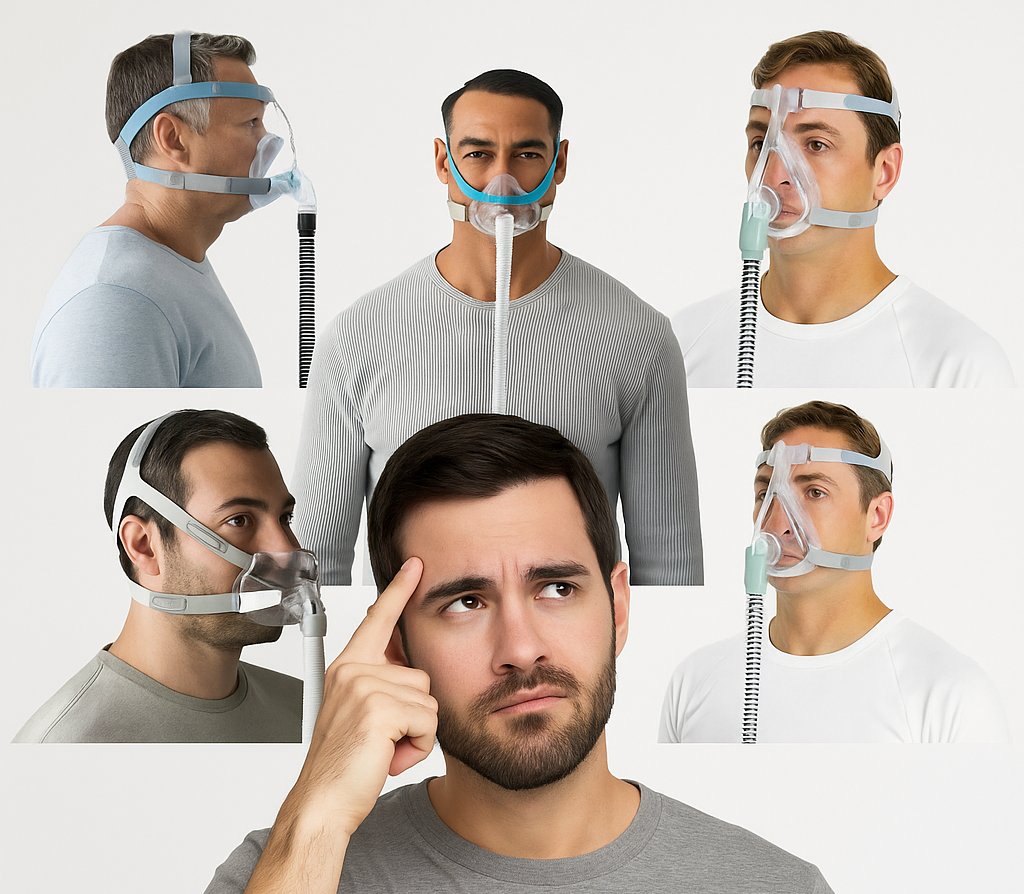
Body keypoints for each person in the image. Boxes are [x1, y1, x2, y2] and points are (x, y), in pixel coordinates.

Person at [174, 414, 873, 894]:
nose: (520, 649)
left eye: (557, 588)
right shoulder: (277, 886)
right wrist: (318, 818)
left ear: (619, 608)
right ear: (396, 643)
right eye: (465, 603)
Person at [293, 69, 703, 586]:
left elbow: (669, 566)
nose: (501, 181)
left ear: (560, 163)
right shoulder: (356, 339)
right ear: (445, 163)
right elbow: (315, 564)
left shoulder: (636, 335)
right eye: (478, 154)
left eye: (528, 154)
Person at [676, 30, 1014, 387]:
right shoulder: (680, 345)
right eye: (760, 143)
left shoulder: (958, 367)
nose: (773, 175)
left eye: (816, 144)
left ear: (884, 172)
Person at [660, 401, 1010, 743]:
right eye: (766, 493)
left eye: (815, 492)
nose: (777, 522)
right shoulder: (695, 681)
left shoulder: (949, 695)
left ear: (877, 517)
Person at [14, 410, 305, 742]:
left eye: (285, 518)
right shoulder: (63, 744)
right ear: (144, 546)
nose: (285, 551)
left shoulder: (308, 710)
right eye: (239, 520)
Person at [30, 32, 277, 387]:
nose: (267, 143)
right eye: (250, 123)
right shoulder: (114, 301)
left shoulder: (169, 269)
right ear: (174, 139)